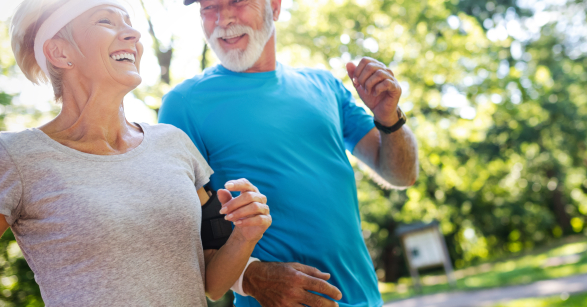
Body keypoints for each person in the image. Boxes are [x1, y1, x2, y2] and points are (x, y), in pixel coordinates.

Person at [1, 0, 271, 306]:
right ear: (60, 52)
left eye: (129, 22)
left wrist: (245, 235)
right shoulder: (15, 156)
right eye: (105, 21)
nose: (132, 33)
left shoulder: (174, 143)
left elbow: (212, 283)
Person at [158, 0, 419, 305]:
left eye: (237, 1)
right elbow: (182, 238)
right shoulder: (183, 104)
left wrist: (390, 119)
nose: (223, 18)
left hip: (367, 298)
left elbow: (402, 174)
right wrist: (254, 279)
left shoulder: (324, 86)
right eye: (209, 7)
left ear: (275, 7)